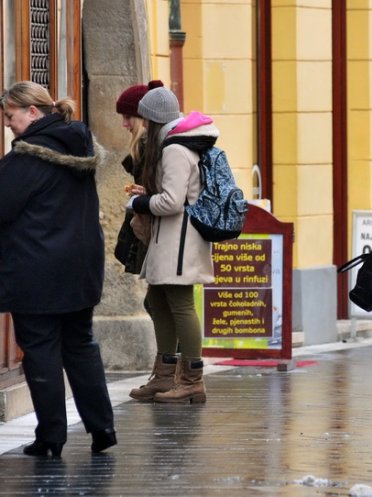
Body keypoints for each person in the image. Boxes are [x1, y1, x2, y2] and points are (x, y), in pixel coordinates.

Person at [0, 81, 116, 456]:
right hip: (81, 269)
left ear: (33, 112)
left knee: (41, 351)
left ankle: (51, 436)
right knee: (80, 346)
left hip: (37, 273)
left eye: (10, 115)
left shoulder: (27, 159)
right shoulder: (78, 146)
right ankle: (103, 428)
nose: (7, 124)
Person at [125, 87, 215, 403]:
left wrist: (140, 202)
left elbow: (172, 201)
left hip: (179, 240)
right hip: (171, 238)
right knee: (158, 299)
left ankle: (192, 379)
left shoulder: (175, 149)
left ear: (152, 120)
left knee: (180, 303)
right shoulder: (176, 144)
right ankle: (164, 376)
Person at [114, 79, 164, 276]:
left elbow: (169, 192)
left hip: (156, 232)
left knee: (158, 301)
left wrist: (147, 193)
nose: (124, 124)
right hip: (152, 230)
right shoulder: (143, 147)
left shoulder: (149, 147)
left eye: (128, 117)